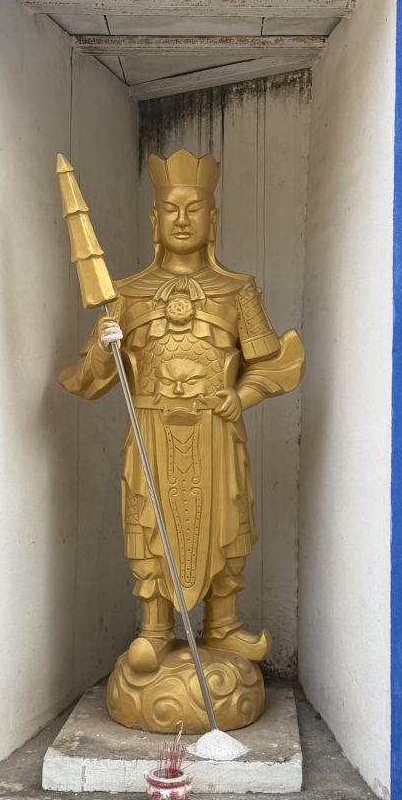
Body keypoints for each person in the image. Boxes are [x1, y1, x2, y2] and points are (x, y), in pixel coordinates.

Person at [60, 148, 304, 675]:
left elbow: (275, 364)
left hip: (217, 430)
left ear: (213, 218)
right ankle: (154, 628)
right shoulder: (126, 294)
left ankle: (223, 624)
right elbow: (89, 381)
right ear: (155, 219)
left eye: (194, 209)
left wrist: (240, 397)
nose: (183, 219)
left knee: (227, 517)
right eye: (171, 209)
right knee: (148, 520)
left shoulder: (237, 291)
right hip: (150, 430)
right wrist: (103, 345)